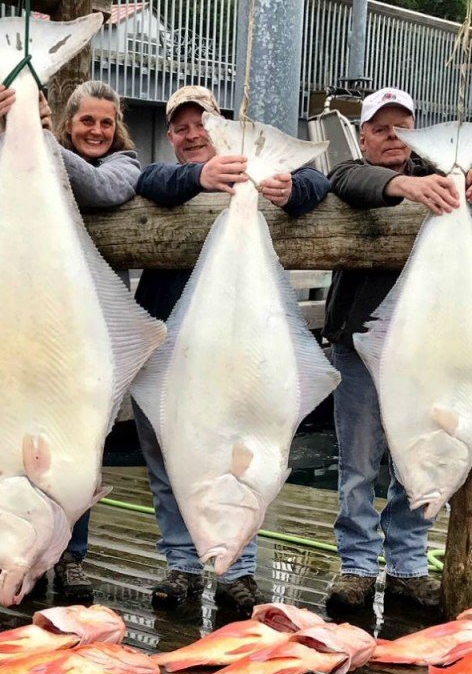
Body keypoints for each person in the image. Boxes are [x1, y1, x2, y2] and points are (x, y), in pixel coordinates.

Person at [135, 86, 331, 614]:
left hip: (246, 355)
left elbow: (318, 184)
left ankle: (237, 571)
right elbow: (145, 180)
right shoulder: (168, 180)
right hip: (177, 353)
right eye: (181, 128)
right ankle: (180, 563)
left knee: (249, 455)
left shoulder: (252, 177)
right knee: (167, 462)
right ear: (172, 137)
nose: (192, 134)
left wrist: (288, 186)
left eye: (202, 124)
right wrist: (200, 178)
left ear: (220, 126)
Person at [323, 87, 472, 615]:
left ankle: (407, 565)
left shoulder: (448, 179)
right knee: (358, 464)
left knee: (419, 463)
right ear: (363, 136)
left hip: (429, 356)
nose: (392, 138)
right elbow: (348, 181)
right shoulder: (349, 175)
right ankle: (356, 565)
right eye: (381, 128)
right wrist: (406, 186)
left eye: (402, 128)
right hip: (359, 347)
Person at [0, 79, 143, 603]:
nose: (97, 130)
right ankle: (34, 545)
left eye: (106, 121)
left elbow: (102, 191)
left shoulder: (125, 165)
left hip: (86, 341)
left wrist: (38, 135)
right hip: (27, 329)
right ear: (70, 122)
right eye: (87, 121)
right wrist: (18, 126)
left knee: (80, 453)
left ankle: (71, 557)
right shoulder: (40, 155)